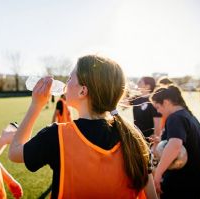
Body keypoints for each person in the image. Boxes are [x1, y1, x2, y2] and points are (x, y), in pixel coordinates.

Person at [9, 55, 157, 199]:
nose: (65, 84)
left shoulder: (57, 135)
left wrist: (36, 105)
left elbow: (14, 152)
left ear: (82, 91)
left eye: (69, 78)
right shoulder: (133, 135)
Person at [151, 85, 200, 199]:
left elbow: (175, 146)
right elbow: (184, 143)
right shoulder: (187, 115)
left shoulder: (175, 118)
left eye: (158, 107)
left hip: (181, 185)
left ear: (166, 102)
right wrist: (162, 142)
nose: (158, 111)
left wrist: (157, 175)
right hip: (192, 183)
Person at [130, 77, 162, 142]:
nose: (138, 84)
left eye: (140, 82)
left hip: (149, 138)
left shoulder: (154, 101)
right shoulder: (136, 98)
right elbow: (122, 103)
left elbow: (158, 122)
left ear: (147, 86)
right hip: (137, 136)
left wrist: (155, 136)